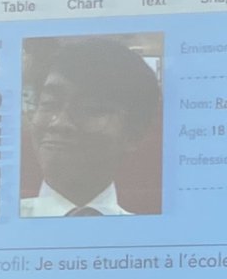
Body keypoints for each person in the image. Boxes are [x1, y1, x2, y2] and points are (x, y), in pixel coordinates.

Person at [21, 37, 161, 217]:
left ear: (134, 134)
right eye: (49, 103)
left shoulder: (153, 231)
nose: (59, 123)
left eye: (90, 109)